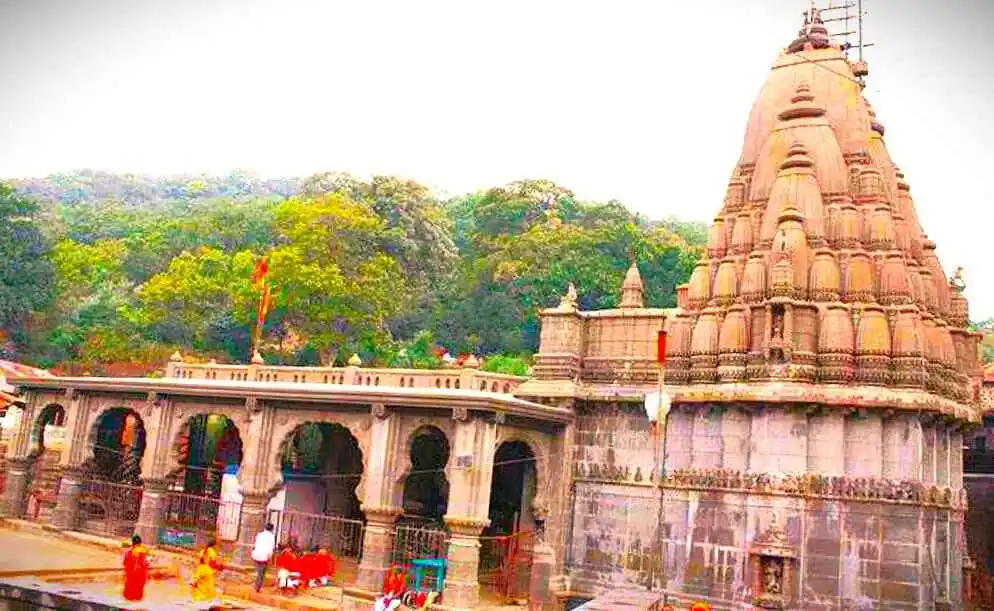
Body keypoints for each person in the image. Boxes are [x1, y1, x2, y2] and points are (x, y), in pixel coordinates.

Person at [191, 538, 223, 604]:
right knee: (209, 588)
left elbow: (200, 561)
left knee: (200, 586)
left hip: (200, 569)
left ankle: (197, 599)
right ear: (215, 546)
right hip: (207, 570)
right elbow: (212, 563)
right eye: (218, 546)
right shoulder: (212, 552)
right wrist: (220, 567)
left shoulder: (202, 551)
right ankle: (206, 601)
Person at [122, 534, 150, 602]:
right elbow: (146, 565)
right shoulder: (143, 553)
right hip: (137, 580)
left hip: (132, 579)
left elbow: (125, 563)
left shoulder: (129, 552)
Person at [250, 523, 276, 592]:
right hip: (264, 556)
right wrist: (270, 557)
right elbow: (270, 548)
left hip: (256, 554)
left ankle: (257, 585)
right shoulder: (271, 537)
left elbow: (255, 544)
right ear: (272, 529)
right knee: (261, 572)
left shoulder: (260, 534)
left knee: (260, 571)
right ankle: (258, 587)